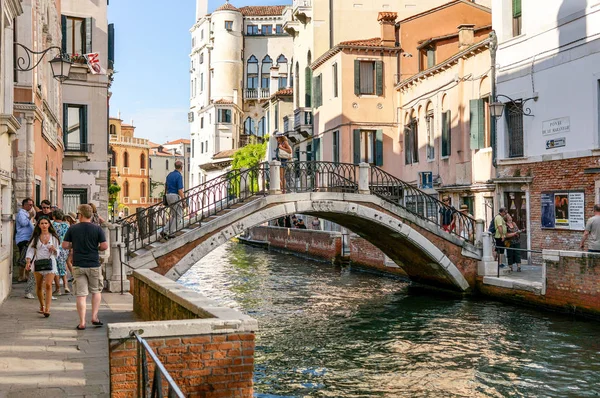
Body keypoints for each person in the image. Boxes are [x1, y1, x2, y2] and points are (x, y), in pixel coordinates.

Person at [63, 204, 108, 330]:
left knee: (81, 295)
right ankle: (94, 317)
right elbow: (104, 246)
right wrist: (95, 247)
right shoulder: (97, 229)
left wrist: (75, 246)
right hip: (93, 263)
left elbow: (65, 245)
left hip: (78, 264)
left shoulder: (73, 229)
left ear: (81, 215)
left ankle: (82, 322)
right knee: (96, 291)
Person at [25, 216, 60, 317]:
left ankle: (47, 309)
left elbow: (58, 252)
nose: (44, 225)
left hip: (50, 263)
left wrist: (54, 249)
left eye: (46, 223)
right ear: (39, 225)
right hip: (38, 263)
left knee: (48, 285)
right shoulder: (36, 237)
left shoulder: (54, 237)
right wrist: (28, 261)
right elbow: (30, 250)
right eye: (42, 223)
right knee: (39, 286)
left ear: (49, 224)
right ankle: (42, 305)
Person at [162, 160, 186, 239]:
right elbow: (180, 190)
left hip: (168, 195)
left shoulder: (169, 175)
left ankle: (165, 230)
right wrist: (184, 201)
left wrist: (165, 196)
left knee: (173, 215)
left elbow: (165, 186)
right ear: (181, 167)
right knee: (179, 215)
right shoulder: (179, 176)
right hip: (174, 196)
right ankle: (171, 232)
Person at [15, 198, 34, 286]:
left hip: (28, 238)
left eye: (32, 205)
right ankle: (21, 276)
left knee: (27, 257)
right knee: (24, 257)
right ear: (24, 205)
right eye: (29, 205)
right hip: (23, 239)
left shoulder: (26, 213)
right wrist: (30, 217)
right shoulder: (21, 213)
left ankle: (25, 276)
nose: (31, 206)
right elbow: (23, 223)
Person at [52, 209, 71, 295]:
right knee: (63, 266)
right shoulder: (67, 225)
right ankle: (66, 286)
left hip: (55, 248)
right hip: (65, 248)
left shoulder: (52, 226)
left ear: (54, 216)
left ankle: (57, 289)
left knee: (55, 268)